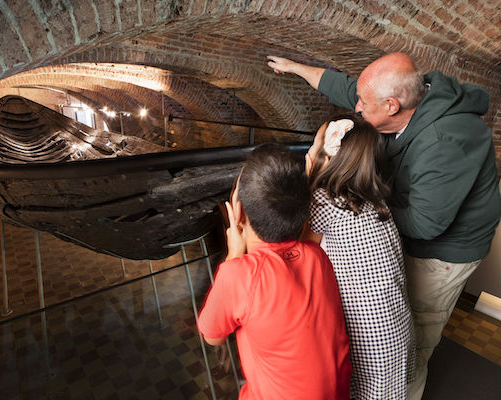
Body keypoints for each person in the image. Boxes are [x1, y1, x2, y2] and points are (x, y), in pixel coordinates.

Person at [268, 53, 501, 399]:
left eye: (364, 103)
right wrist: (298, 68)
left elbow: (425, 223)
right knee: (395, 315)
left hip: (442, 252)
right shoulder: (402, 99)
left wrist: (355, 198)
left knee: (414, 341)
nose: (357, 108)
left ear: (392, 106)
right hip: (407, 227)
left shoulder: (443, 141)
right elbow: (350, 90)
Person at [197, 143, 352, 399]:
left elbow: (211, 336)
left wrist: (234, 255)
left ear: (238, 212)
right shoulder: (317, 256)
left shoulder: (240, 275)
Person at [302, 114, 415, 399]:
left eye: (315, 145)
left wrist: (308, 178)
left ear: (328, 155)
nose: (309, 152)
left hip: (366, 333)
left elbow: (302, 249)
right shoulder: (374, 198)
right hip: (395, 321)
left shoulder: (323, 199)